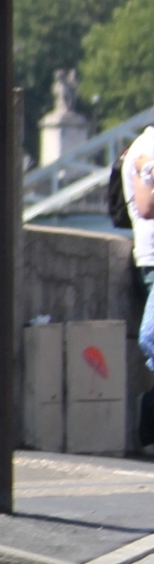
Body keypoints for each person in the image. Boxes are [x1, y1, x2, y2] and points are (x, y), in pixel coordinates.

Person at [125, 123, 154, 448]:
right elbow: (147, 207)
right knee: (151, 336)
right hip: (152, 260)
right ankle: (149, 418)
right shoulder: (147, 147)